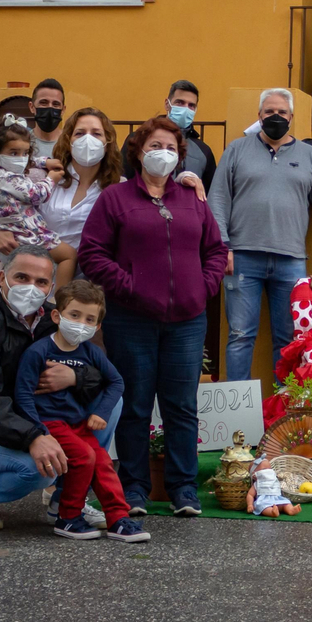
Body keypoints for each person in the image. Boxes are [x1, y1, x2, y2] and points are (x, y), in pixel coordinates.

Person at [78, 116, 229, 518]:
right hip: (131, 320)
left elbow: (215, 251)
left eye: (171, 148)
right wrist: (130, 288)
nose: (163, 153)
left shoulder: (191, 199)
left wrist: (203, 286)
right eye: (154, 146)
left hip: (187, 320)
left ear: (180, 156)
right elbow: (92, 255)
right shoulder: (114, 199)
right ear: (138, 153)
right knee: (136, 405)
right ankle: (135, 489)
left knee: (181, 405)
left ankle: (183, 490)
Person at [0, 245, 111, 531]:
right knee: (39, 467)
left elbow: (102, 371)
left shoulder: (54, 319)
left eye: (41, 282)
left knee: (109, 403)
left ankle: (67, 501)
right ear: (2, 277)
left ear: (51, 287)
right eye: (22, 278)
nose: (31, 287)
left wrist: (75, 378)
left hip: (33, 419)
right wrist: (33, 437)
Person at [209, 88, 312, 383]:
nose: (275, 117)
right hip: (242, 258)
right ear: (259, 116)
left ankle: (283, 413)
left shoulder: (309, 156)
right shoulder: (236, 150)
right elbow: (217, 201)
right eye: (269, 112)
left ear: (292, 117)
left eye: (282, 112)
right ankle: (238, 415)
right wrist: (222, 247)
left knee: (288, 340)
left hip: (291, 262)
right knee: (240, 336)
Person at [14, 279, 148, 543]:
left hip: (78, 423)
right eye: (74, 315)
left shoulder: (91, 351)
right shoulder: (37, 352)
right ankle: (68, 517)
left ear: (98, 326)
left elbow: (116, 381)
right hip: (49, 424)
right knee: (85, 457)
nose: (81, 324)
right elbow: (23, 394)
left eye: (90, 319)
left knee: (103, 462)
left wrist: (101, 412)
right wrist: (37, 431)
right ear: (57, 315)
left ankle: (118, 520)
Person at [0, 107, 121, 259]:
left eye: (96, 134)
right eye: (79, 133)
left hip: (84, 279)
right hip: (28, 273)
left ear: (107, 143)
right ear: (68, 140)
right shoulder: (38, 176)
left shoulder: (118, 189)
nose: (87, 140)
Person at [0, 118, 75, 291]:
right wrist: (51, 179)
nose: (21, 159)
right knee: (69, 255)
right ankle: (60, 301)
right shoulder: (10, 179)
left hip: (7, 231)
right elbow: (36, 195)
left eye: (25, 152)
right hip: (24, 235)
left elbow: (25, 160)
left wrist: (44, 162)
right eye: (14, 153)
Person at [123, 79, 217, 192]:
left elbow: (208, 192)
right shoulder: (140, 138)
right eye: (180, 102)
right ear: (167, 104)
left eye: (191, 105)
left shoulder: (203, 151)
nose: (185, 109)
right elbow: (123, 177)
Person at [27, 78, 66, 162]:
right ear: (32, 107)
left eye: (56, 104)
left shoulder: (71, 144)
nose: (50, 107)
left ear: (63, 110)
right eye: (44, 103)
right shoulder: (22, 143)